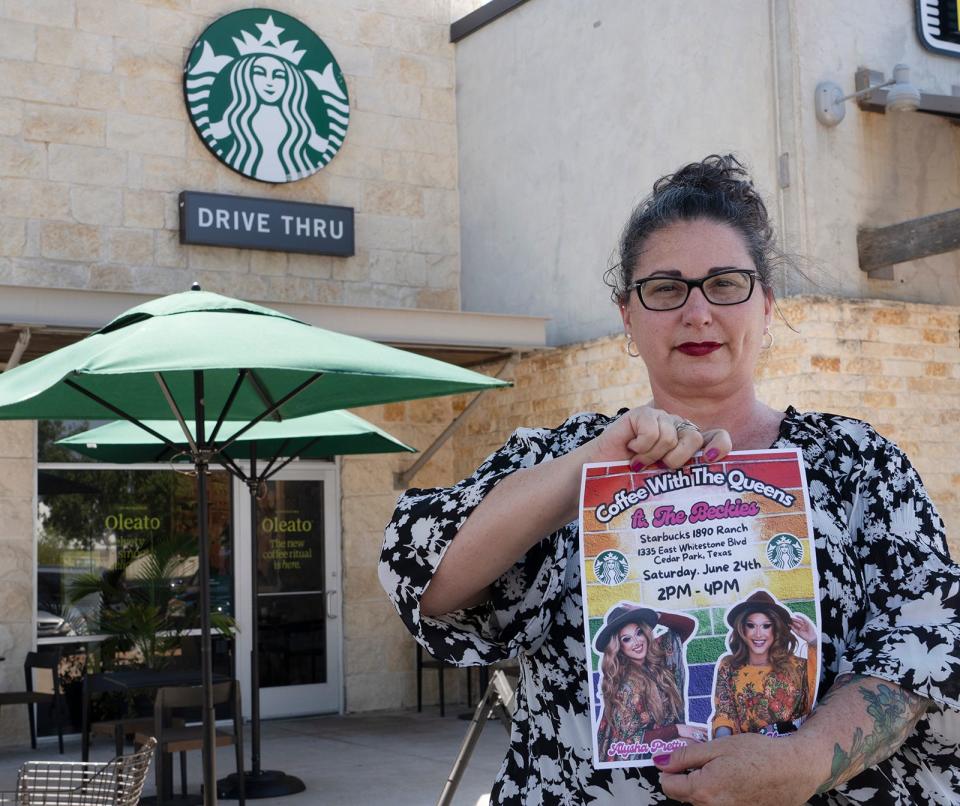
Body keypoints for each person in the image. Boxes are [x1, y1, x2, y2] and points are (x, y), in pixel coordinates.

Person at [380, 154, 960, 804]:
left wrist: (806, 761)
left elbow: (926, 643)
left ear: (766, 306)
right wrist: (591, 466)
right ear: (627, 314)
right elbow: (423, 578)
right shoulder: (570, 457)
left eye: (725, 284)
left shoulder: (859, 464)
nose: (697, 311)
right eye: (664, 289)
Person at [594, 605, 704, 761]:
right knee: (692, 746)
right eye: (627, 639)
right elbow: (629, 741)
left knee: (702, 742)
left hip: (665, 744)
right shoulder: (625, 686)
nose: (636, 642)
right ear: (619, 647)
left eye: (639, 633)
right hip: (633, 757)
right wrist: (678, 730)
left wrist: (655, 614)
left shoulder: (659, 657)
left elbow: (686, 627)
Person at [711, 590, 818, 738]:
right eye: (751, 625)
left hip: (791, 750)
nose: (758, 634)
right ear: (742, 629)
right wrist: (722, 747)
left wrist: (814, 641)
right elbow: (724, 712)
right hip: (745, 752)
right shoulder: (729, 666)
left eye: (766, 626)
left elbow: (823, 693)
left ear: (776, 629)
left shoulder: (798, 667)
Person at [208, 54, 330, 182]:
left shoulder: (299, 122)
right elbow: (215, 132)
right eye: (260, 73)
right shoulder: (236, 116)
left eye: (278, 75)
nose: (269, 82)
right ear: (247, 78)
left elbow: (322, 146)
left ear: (290, 82)